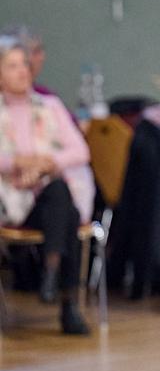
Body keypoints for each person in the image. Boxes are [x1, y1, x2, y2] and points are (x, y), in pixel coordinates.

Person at [0, 37, 93, 334]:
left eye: (24, 65)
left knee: (59, 194)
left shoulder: (49, 106)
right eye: (12, 66)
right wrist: (17, 162)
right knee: (67, 214)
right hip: (9, 202)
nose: (22, 71)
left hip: (46, 201)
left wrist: (46, 163)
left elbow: (81, 151)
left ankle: (51, 271)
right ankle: (67, 304)